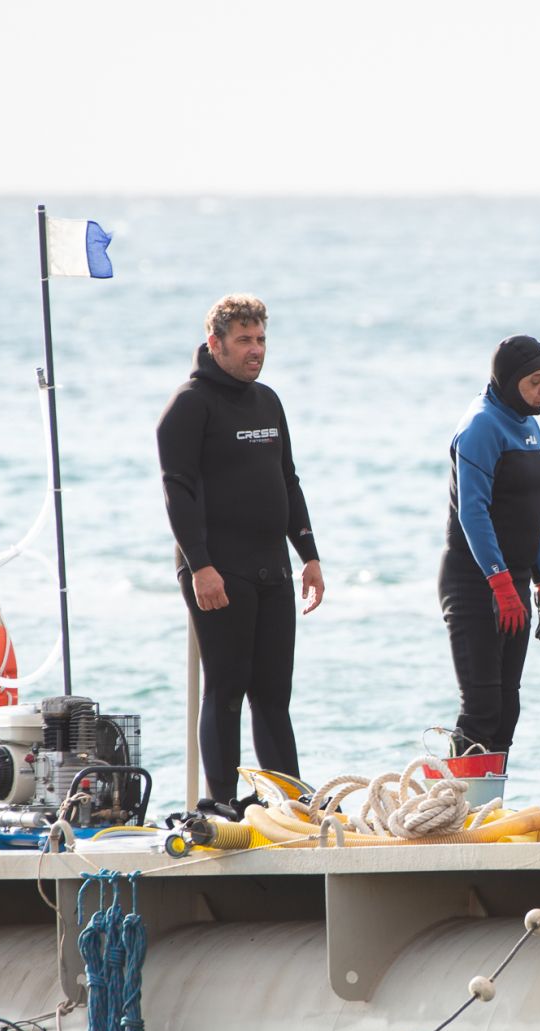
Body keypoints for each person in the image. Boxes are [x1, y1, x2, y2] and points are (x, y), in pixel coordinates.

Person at [156, 294, 326, 806]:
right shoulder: (190, 405)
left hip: (272, 565)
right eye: (245, 341)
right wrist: (201, 565)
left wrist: (310, 555)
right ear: (216, 343)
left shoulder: (268, 401)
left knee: (274, 697)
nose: (256, 351)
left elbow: (288, 481)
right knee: (227, 689)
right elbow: (177, 491)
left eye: (261, 340)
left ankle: (290, 803)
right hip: (218, 569)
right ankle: (223, 802)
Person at [441, 335, 540, 757]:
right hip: (476, 583)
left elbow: (531, 513)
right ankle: (458, 815)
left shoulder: (528, 422)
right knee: (481, 710)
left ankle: (488, 809)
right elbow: (473, 513)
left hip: (515, 582)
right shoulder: (481, 426)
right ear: (509, 382)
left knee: (507, 707)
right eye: (536, 381)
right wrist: (501, 585)